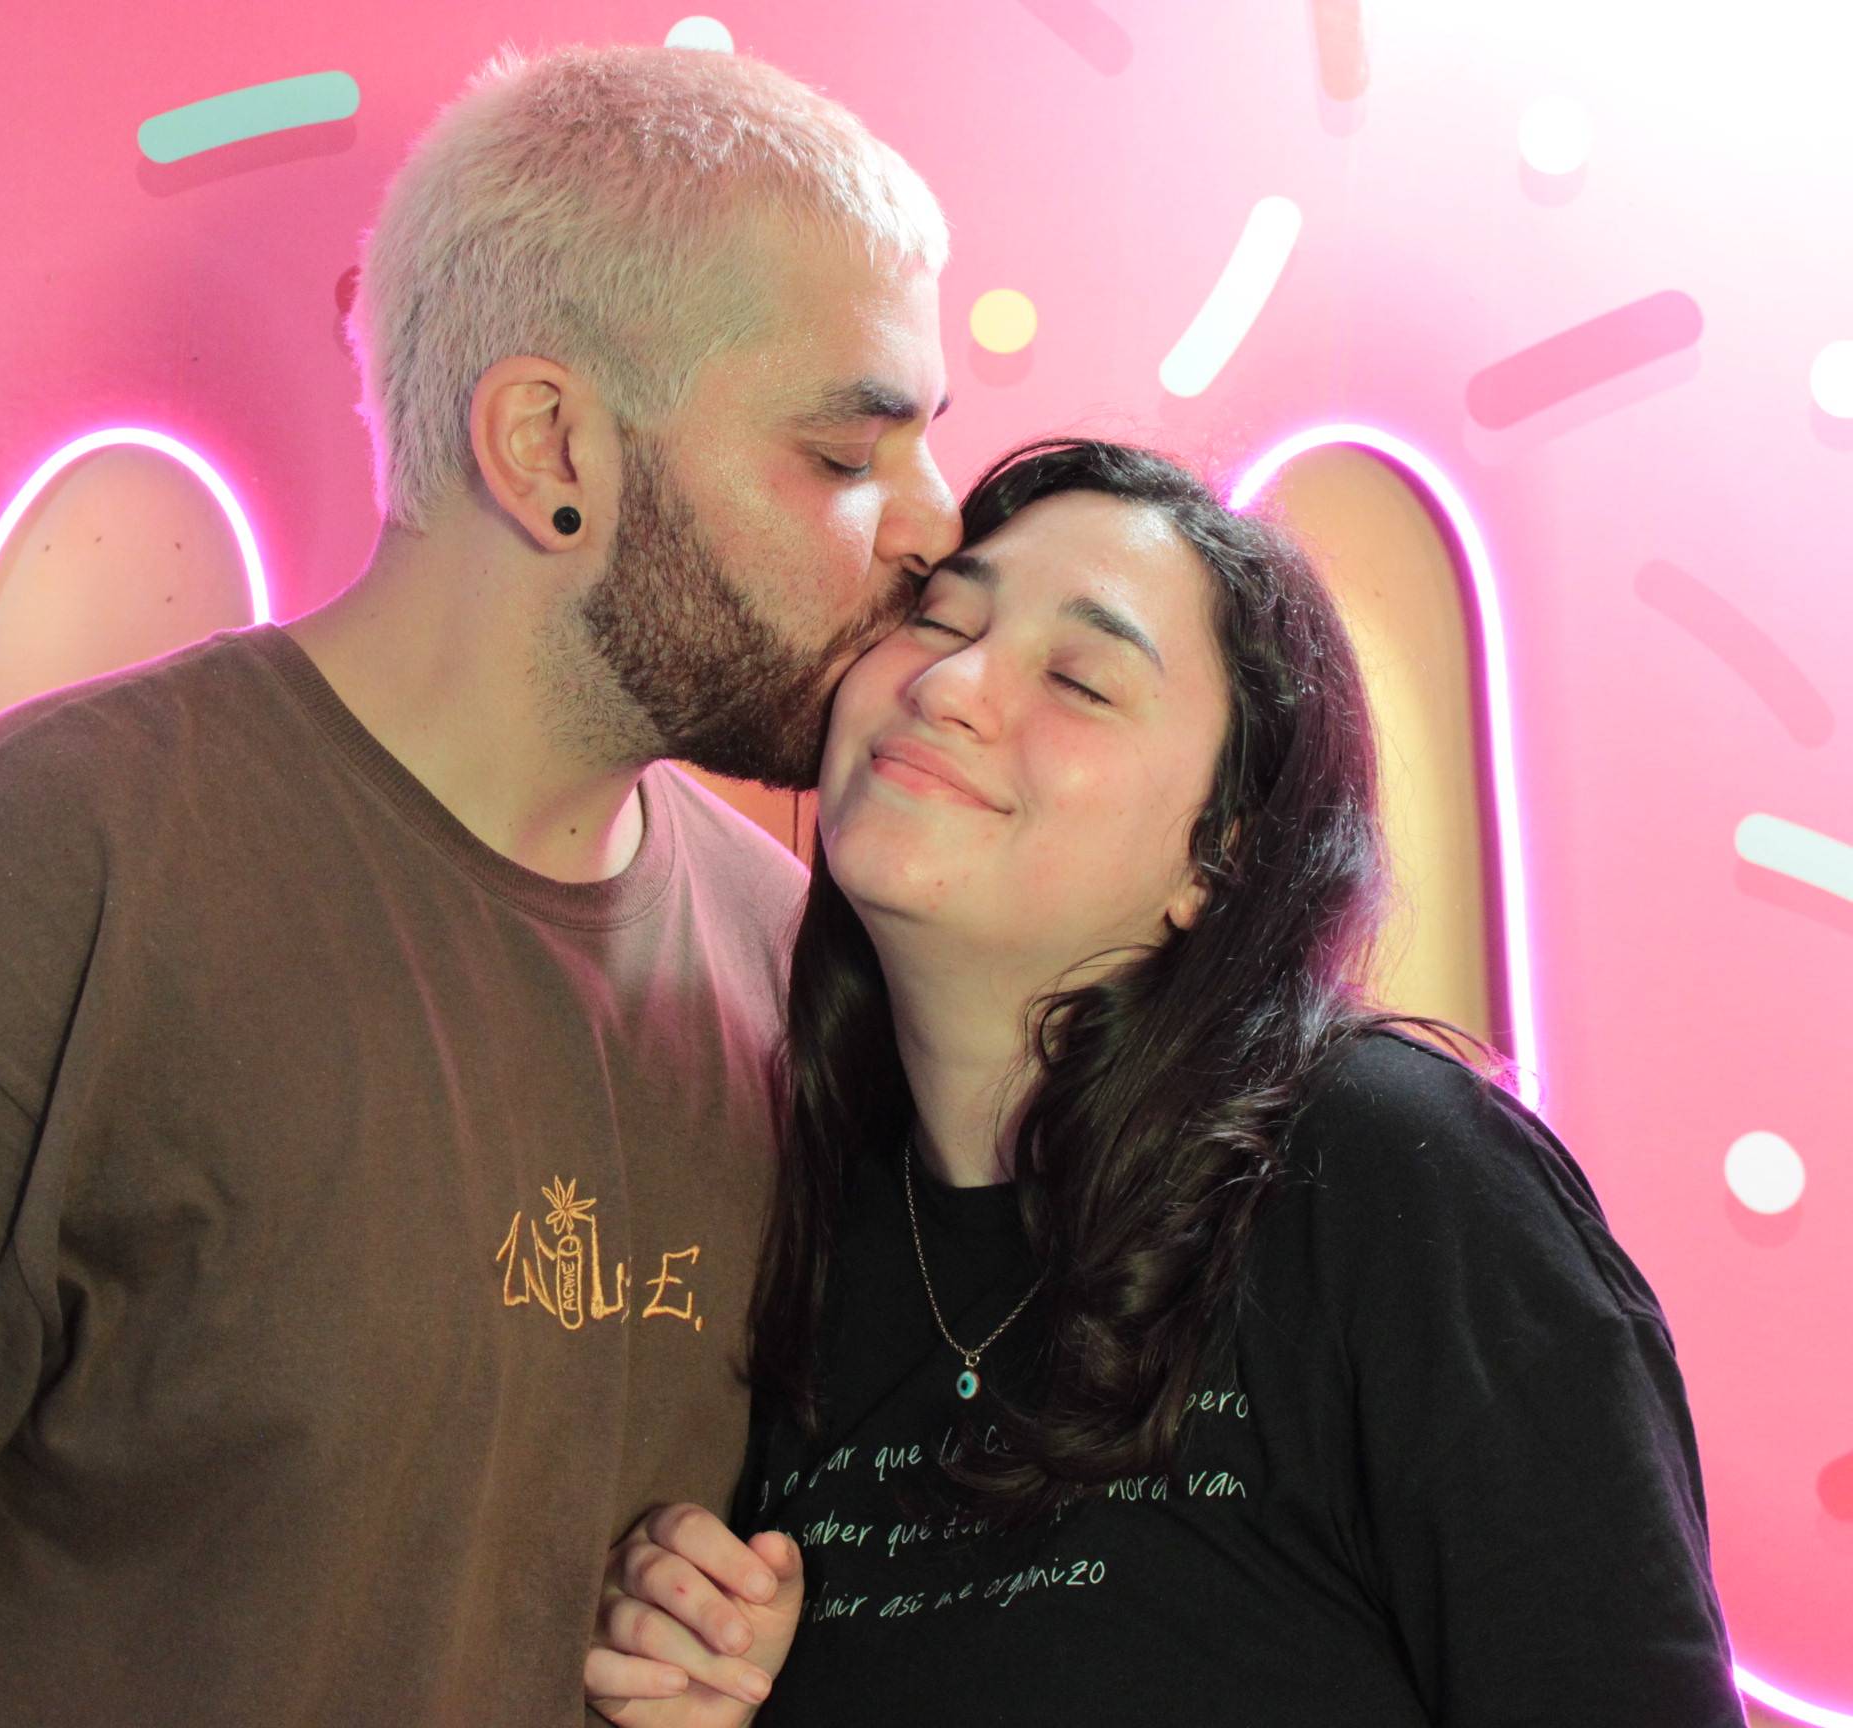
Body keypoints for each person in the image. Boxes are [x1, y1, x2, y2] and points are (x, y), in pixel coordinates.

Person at [0, 43, 962, 1728]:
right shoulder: (52, 878)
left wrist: (725, 1643)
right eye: (844, 455)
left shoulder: (788, 958)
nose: (932, 527)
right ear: (551, 448)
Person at [584, 439, 1743, 1727]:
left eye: (1080, 679)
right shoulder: (789, 1228)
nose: (950, 685)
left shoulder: (1392, 1179)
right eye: (940, 619)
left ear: (1220, 857)